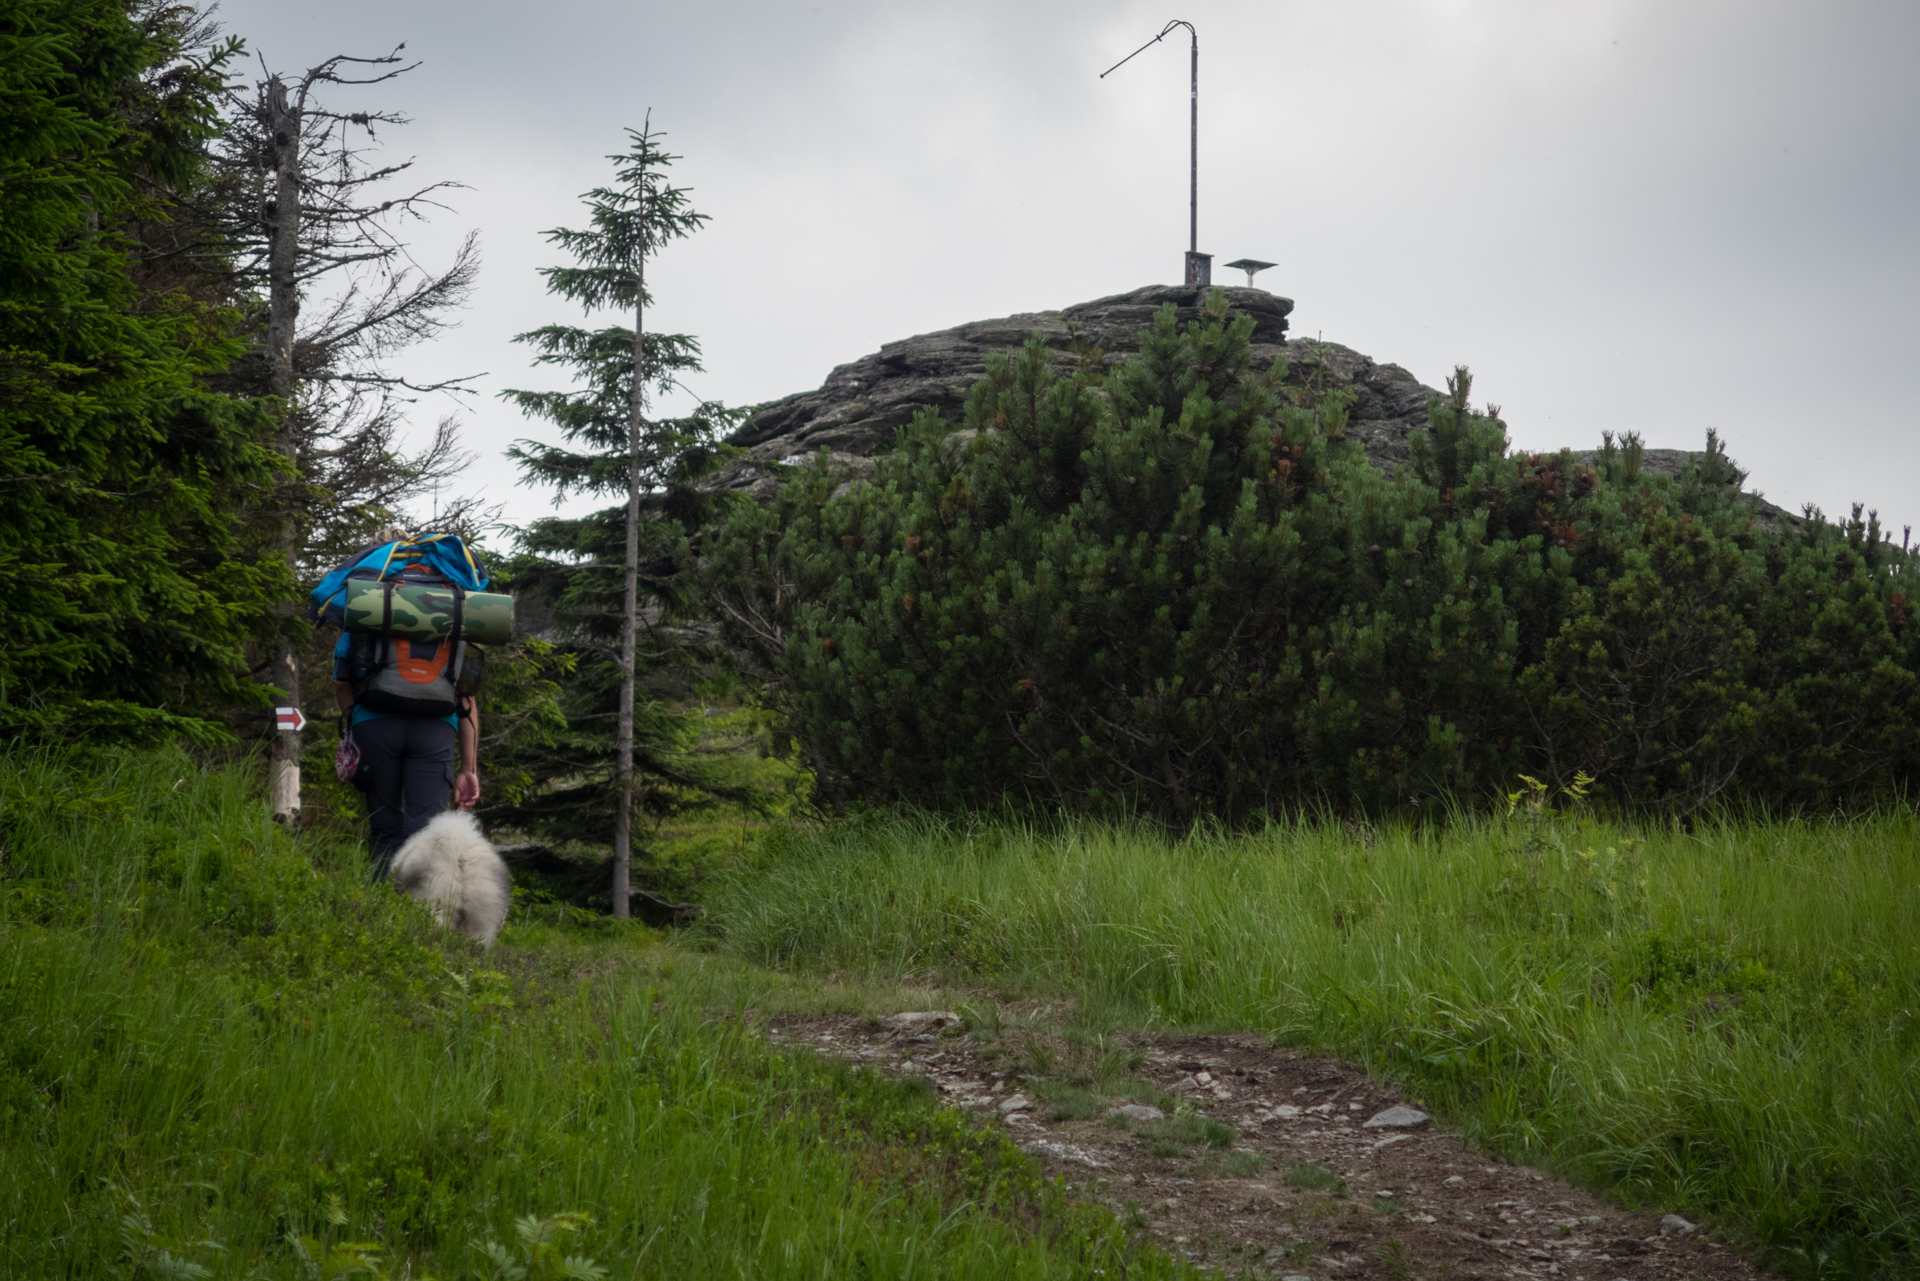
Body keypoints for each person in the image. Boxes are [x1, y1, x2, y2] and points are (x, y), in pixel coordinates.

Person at [331, 527, 482, 880]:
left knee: (384, 829)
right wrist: (469, 768)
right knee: (428, 834)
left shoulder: (369, 602)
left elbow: (341, 682)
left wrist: (356, 723)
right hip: (435, 727)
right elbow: (468, 697)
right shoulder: (455, 602)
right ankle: (424, 923)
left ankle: (381, 920)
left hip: (375, 724)